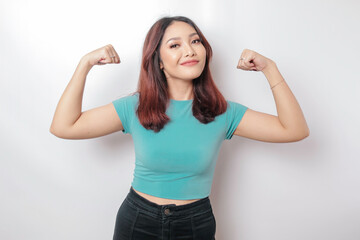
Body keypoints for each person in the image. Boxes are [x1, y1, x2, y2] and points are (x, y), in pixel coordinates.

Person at [50, 15, 309, 240]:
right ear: (159, 61)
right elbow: (64, 126)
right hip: (138, 220)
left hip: (195, 224)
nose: (190, 50)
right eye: (175, 45)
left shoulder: (223, 112)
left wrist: (270, 69)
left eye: (195, 41)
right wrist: (85, 64)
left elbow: (294, 130)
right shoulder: (135, 107)